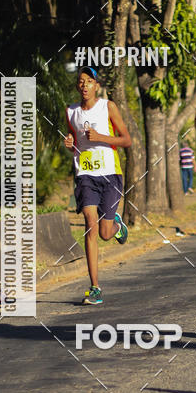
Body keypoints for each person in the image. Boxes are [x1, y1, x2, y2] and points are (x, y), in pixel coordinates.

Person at [64, 66, 131, 305]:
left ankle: (116, 226)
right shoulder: (70, 111)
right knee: (90, 226)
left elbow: (126, 140)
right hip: (85, 176)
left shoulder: (108, 107)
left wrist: (101, 137)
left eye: (89, 81)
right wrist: (70, 143)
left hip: (110, 175)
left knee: (104, 232)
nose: (84, 85)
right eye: (81, 82)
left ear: (96, 86)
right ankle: (94, 288)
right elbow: (74, 143)